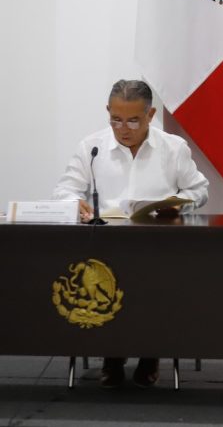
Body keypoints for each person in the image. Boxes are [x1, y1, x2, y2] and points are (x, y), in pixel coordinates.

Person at [52, 79, 209, 389]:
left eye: (133, 120)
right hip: (105, 244)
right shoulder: (92, 147)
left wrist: (177, 204)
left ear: (150, 115)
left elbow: (199, 190)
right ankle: (112, 353)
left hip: (158, 244)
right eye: (116, 119)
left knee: (152, 279)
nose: (123, 129)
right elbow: (64, 190)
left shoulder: (173, 148)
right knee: (101, 277)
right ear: (108, 112)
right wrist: (74, 203)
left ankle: (151, 353)